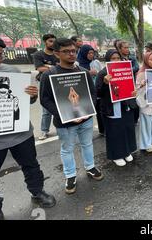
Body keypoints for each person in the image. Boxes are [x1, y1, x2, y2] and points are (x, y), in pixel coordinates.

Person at [0, 30, 56, 220]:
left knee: (31, 166)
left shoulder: (11, 71)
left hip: (20, 134)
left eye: (0, 55)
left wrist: (31, 96)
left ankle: (37, 192)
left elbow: (25, 103)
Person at [40, 38, 103, 194]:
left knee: (87, 144)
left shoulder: (83, 72)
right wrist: (63, 115)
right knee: (67, 149)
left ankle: (90, 167)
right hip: (65, 122)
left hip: (86, 119)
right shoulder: (49, 75)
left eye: (73, 51)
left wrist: (88, 110)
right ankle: (70, 175)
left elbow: (92, 94)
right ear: (56, 53)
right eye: (66, 51)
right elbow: (44, 100)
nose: (71, 54)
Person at [95, 49, 137, 166]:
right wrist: (104, 83)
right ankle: (116, 155)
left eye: (118, 58)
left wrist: (133, 92)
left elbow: (130, 86)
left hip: (126, 106)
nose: (116, 61)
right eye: (113, 59)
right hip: (112, 108)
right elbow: (97, 93)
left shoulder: (125, 70)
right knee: (115, 131)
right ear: (108, 59)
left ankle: (126, 151)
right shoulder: (103, 73)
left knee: (126, 129)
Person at [32, 34, 57, 140]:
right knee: (46, 110)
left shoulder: (57, 54)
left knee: (59, 107)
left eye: (54, 41)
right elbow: (39, 68)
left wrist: (47, 66)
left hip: (57, 83)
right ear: (45, 42)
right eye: (50, 41)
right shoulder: (38, 55)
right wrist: (53, 67)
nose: (53, 43)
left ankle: (60, 129)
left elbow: (62, 67)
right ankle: (44, 131)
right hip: (45, 84)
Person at [76, 45, 105, 135]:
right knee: (86, 111)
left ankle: (102, 130)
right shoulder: (77, 64)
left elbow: (102, 72)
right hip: (84, 90)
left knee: (99, 110)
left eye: (92, 53)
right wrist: (88, 73)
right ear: (84, 53)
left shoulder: (96, 62)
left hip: (96, 89)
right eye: (89, 53)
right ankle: (84, 131)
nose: (91, 55)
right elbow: (76, 77)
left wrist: (98, 73)